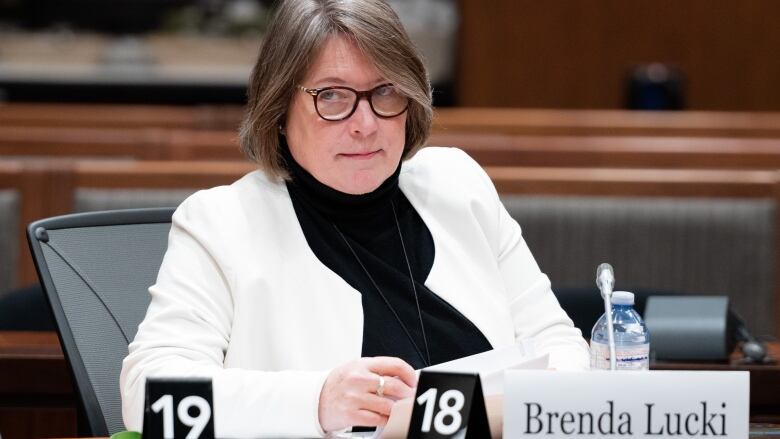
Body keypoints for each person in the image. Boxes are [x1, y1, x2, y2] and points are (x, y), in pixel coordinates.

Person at [120, 0, 590, 436]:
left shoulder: (459, 184)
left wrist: (524, 408)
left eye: (385, 93)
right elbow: (151, 393)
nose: (365, 123)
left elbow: (557, 342)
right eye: (332, 97)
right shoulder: (221, 222)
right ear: (279, 108)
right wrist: (318, 400)